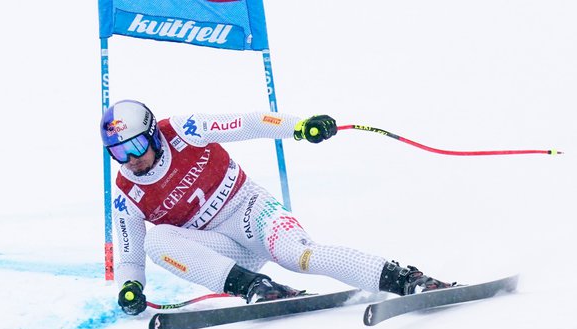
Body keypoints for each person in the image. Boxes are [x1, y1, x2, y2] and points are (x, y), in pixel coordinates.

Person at [101, 100, 452, 315]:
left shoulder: (185, 129)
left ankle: (408, 280)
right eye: (118, 153)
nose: (130, 160)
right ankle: (256, 288)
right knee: (156, 241)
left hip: (251, 211)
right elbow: (130, 255)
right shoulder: (126, 193)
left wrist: (299, 127)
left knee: (300, 257)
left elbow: (251, 123)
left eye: (134, 147)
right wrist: (130, 287)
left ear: (152, 136)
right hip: (225, 253)